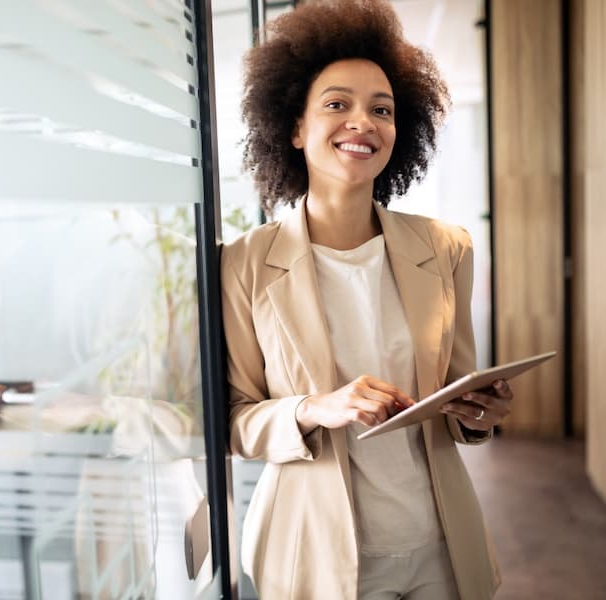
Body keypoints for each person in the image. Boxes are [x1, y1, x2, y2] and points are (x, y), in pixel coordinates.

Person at [221, 1, 511, 598]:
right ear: (295, 128)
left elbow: (459, 401)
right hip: (319, 554)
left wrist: (480, 415)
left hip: (441, 544)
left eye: (382, 109)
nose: (363, 122)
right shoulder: (244, 263)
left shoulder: (446, 247)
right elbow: (233, 421)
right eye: (337, 104)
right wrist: (312, 408)